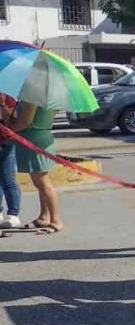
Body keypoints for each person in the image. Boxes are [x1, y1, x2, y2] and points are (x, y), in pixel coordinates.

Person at [9, 100, 62, 234]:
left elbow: (25, 122)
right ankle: (44, 216)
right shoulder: (45, 96)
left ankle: (56, 220)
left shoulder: (32, 97)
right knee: (40, 182)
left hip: (34, 139)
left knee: (43, 182)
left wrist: (9, 126)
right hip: (39, 137)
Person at [0, 93, 22, 229]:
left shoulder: (8, 99)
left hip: (6, 143)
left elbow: (13, 122)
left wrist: (2, 104)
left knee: (8, 180)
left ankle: (13, 214)